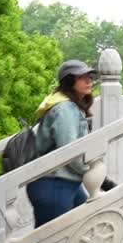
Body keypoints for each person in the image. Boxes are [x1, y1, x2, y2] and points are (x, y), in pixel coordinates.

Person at [26, 60, 96, 227]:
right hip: (54, 185)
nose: (89, 81)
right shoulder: (65, 109)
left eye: (90, 76)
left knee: (79, 231)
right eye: (82, 77)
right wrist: (91, 171)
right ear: (69, 81)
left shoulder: (68, 106)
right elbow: (69, 151)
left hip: (64, 182)